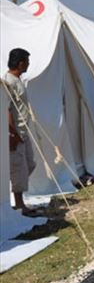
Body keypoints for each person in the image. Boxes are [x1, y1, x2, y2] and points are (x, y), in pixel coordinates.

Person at [4, 48, 38, 217]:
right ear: (21, 63)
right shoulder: (7, 82)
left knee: (30, 164)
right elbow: (6, 110)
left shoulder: (17, 80)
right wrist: (12, 134)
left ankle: (17, 197)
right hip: (15, 133)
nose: (28, 64)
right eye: (27, 61)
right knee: (19, 169)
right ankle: (19, 205)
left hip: (24, 131)